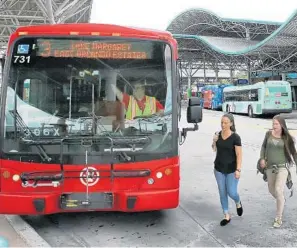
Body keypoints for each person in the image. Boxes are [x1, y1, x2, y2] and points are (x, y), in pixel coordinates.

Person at [259, 115, 297, 228]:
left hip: (282, 168)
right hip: (270, 167)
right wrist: (262, 158)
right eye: (273, 124)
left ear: (281, 125)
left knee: (278, 189)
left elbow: (294, 153)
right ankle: (281, 200)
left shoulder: (287, 138)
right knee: (272, 190)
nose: (274, 126)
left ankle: (278, 218)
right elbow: (263, 147)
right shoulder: (268, 134)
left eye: (276, 124)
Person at [212, 113, 243, 226]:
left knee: (232, 192)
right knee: (222, 192)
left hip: (231, 170)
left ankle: (238, 201)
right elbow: (214, 149)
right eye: (222, 122)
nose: (223, 125)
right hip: (219, 169)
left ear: (231, 123)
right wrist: (214, 141)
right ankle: (226, 215)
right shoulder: (218, 134)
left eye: (225, 123)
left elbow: (239, 155)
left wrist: (238, 170)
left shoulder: (235, 137)